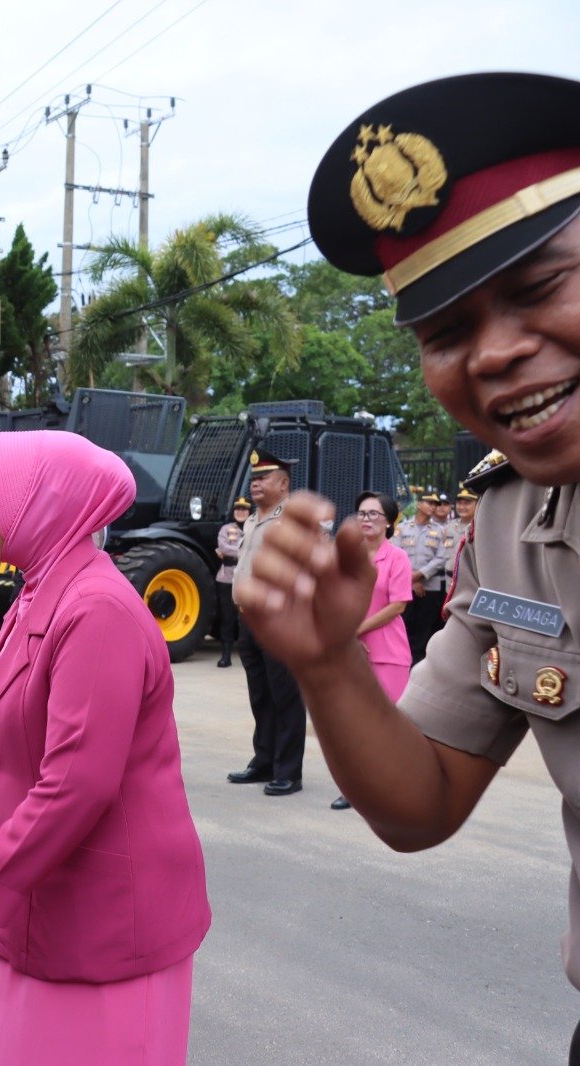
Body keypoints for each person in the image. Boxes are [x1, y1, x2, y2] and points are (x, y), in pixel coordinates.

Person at [236, 72, 580, 1053]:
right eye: (446, 333)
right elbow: (421, 800)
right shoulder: (509, 525)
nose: (493, 354)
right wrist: (326, 661)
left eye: (538, 288)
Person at [0, 430, 210, 1065]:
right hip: (49, 896)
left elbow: (76, 781)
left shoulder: (97, 610)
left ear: (50, 506)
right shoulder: (39, 592)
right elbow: (6, 749)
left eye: (3, 495)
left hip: (107, 916)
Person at [225, 448, 308, 796]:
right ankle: (264, 761)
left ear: (284, 483)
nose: (255, 483)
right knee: (261, 695)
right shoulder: (253, 519)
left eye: (263, 478)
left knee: (285, 696)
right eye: (254, 478)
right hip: (249, 619)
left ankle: (289, 771)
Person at [331, 492, 412, 811]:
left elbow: (397, 605)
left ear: (389, 522)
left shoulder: (397, 558)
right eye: (361, 513)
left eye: (373, 514)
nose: (365, 519)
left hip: (387, 651)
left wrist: (357, 629)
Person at [395, 491, 451, 663]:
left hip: (430, 588)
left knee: (424, 629)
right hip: (404, 587)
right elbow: (396, 555)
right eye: (429, 503)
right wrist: (411, 581)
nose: (433, 507)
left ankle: (417, 664)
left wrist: (419, 575)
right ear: (419, 504)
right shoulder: (402, 528)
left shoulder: (440, 531)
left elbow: (441, 558)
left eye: (435, 504)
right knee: (403, 626)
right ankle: (401, 660)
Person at [214, 496, 250, 668]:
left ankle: (247, 655)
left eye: (244, 509)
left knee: (247, 619)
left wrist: (234, 551)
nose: (240, 512)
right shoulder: (226, 529)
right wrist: (245, 550)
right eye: (238, 509)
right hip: (227, 578)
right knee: (227, 617)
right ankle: (226, 654)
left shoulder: (253, 528)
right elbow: (223, 547)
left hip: (247, 579)